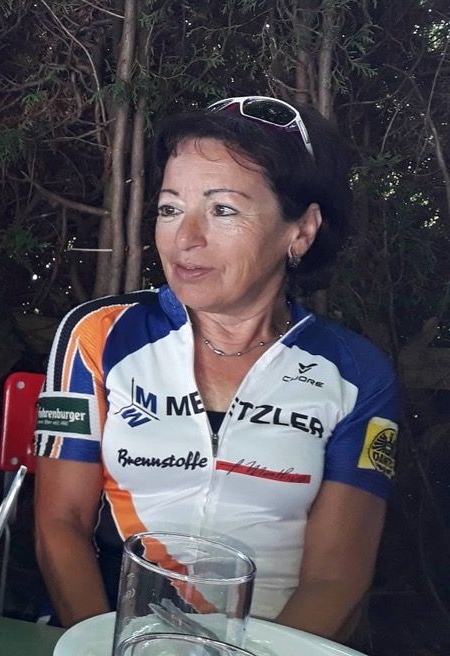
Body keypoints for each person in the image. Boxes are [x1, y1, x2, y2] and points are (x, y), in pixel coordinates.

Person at [33, 96, 399, 641]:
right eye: (170, 209)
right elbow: (60, 523)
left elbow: (336, 579)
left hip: (276, 645)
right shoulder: (101, 335)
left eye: (223, 210)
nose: (186, 238)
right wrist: (112, 647)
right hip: (113, 638)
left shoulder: (355, 372)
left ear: (301, 231)